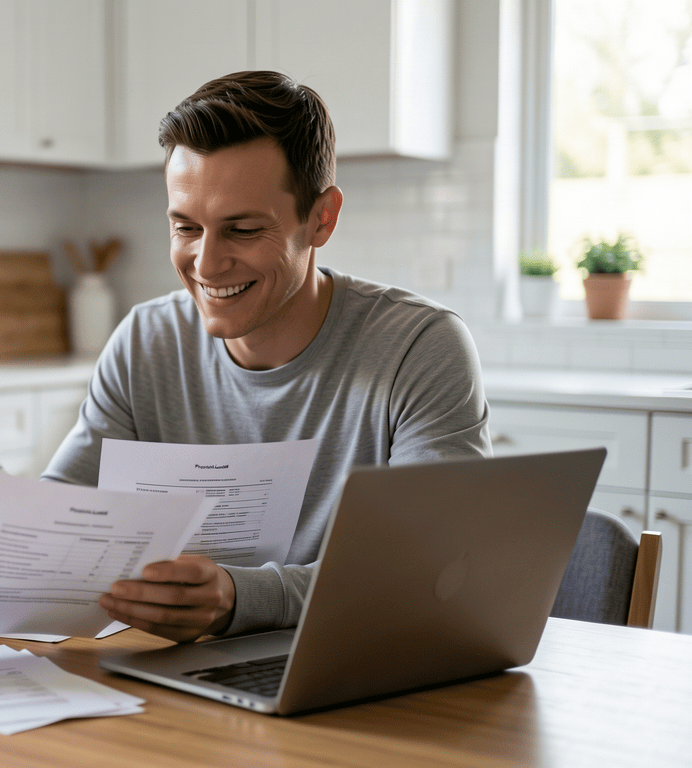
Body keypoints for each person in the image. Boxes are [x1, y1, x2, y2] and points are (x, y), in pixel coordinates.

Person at [43, 71, 491, 642]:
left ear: (321, 219)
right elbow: (59, 520)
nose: (205, 264)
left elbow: (435, 570)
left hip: (359, 672)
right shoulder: (144, 340)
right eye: (186, 227)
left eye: (243, 229)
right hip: (171, 680)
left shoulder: (419, 348)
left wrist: (239, 598)